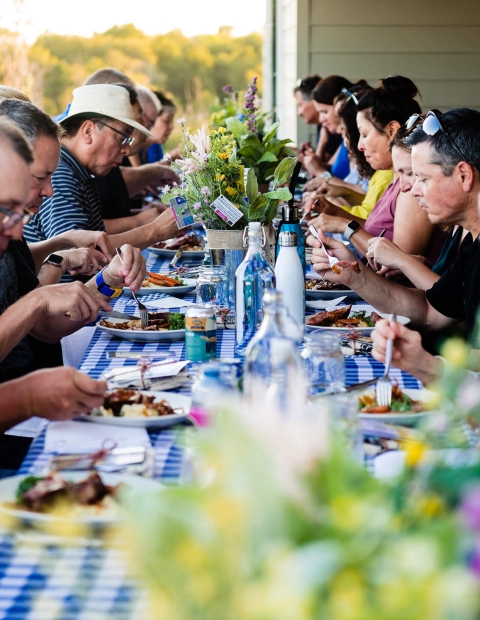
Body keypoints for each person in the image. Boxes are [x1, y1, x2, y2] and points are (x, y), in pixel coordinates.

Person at [307, 108, 480, 346]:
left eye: (423, 178)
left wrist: (423, 365)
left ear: (463, 175)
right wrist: (353, 274)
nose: (412, 189)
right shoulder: (473, 242)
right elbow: (430, 311)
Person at [23, 84, 179, 258]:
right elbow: (78, 259)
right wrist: (155, 230)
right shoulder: (60, 174)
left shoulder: (81, 171)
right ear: (88, 131)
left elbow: (93, 239)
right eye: (123, 138)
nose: (127, 150)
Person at [307, 76, 439, 260]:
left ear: (392, 130)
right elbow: (376, 231)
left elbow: (398, 264)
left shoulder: (411, 189)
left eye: (365, 134)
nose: (359, 145)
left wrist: (344, 226)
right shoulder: (395, 179)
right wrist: (336, 213)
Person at [294, 75, 342, 165]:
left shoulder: (332, 127)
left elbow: (318, 170)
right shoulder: (326, 125)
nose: (299, 112)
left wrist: (322, 142)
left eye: (300, 105)